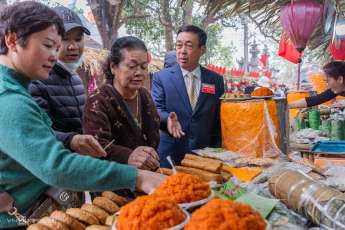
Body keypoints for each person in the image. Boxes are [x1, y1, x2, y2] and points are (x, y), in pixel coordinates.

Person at [0, 2, 164, 228]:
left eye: (57, 45)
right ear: (12, 40)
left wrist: (70, 139)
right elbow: (56, 166)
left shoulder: (19, 88)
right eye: (48, 45)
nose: (54, 54)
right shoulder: (10, 99)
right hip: (16, 216)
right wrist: (137, 177)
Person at [29, 6, 105, 158]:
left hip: (80, 166)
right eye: (65, 39)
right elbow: (36, 134)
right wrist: (70, 140)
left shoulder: (76, 79)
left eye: (78, 39)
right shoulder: (37, 81)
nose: (73, 46)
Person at [83, 36, 160, 171]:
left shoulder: (144, 95)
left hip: (146, 179)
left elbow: (151, 129)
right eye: (132, 66)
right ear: (113, 67)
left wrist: (167, 123)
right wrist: (128, 156)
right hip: (113, 180)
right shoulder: (98, 100)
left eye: (143, 67)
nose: (139, 73)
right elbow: (96, 145)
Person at [151, 25, 224, 167]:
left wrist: (218, 150)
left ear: (202, 50)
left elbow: (218, 118)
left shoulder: (215, 80)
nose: (182, 51)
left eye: (189, 46)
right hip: (171, 154)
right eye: (179, 45)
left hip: (204, 155)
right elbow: (156, 108)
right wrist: (167, 119)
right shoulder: (161, 77)